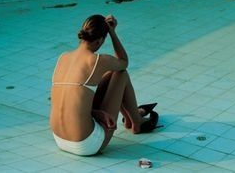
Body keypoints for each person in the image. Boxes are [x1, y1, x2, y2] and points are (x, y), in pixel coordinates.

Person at [50, 14, 159, 156]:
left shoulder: (63, 57)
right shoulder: (96, 60)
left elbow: (72, 103)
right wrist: (113, 32)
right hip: (85, 144)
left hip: (59, 139)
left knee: (109, 75)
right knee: (121, 74)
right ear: (99, 40)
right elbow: (123, 62)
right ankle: (136, 121)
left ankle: (132, 118)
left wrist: (97, 113)